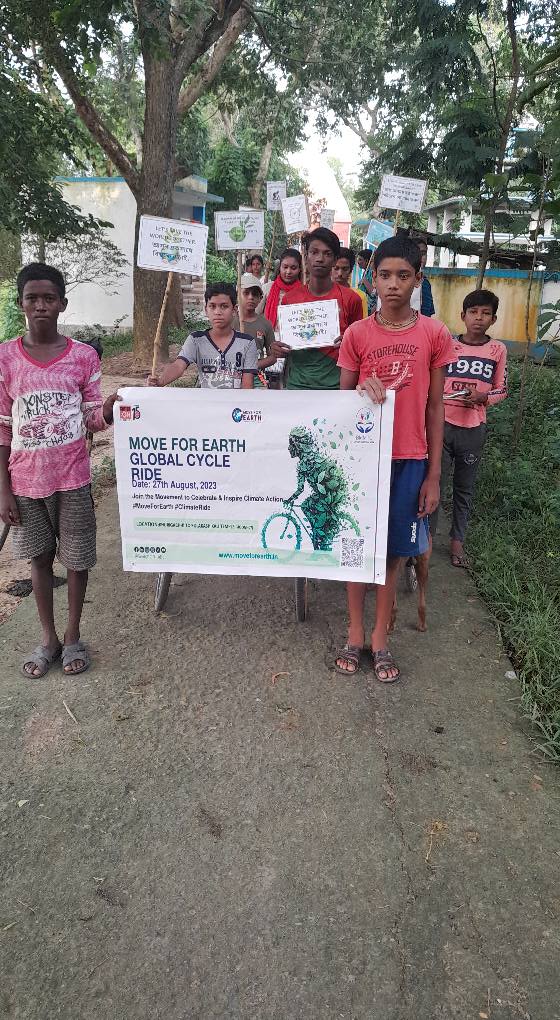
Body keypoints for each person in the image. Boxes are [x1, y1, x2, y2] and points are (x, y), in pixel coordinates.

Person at [335, 236, 454, 683]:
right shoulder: (357, 335)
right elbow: (341, 403)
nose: (393, 284)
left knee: (393, 553)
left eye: (403, 275)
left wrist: (433, 475)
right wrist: (360, 389)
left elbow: (435, 407)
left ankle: (380, 637)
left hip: (410, 460)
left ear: (418, 279)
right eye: (384, 275)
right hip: (362, 461)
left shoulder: (434, 334)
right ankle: (354, 632)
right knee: (356, 548)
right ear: (372, 279)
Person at [0, 263, 119, 678]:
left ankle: (72, 637)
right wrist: (3, 489)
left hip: (73, 478)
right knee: (39, 559)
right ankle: (48, 638)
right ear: (21, 303)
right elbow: (2, 428)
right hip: (25, 482)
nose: (41, 306)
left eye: (49, 298)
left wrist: (110, 409)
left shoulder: (83, 356)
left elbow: (92, 419)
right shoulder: (5, 358)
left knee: (77, 559)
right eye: (32, 298)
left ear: (62, 304)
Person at [430, 288, 507, 568]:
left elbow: (502, 389)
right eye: (473, 312)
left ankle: (457, 543)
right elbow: (432, 382)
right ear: (463, 315)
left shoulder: (497, 350)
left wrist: (484, 397)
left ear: (493, 319)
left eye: (486, 313)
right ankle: (426, 541)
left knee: (464, 488)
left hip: (473, 430)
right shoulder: (448, 344)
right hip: (442, 426)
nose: (479, 318)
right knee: (435, 484)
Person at [271, 228, 363, 390]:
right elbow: (284, 344)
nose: (320, 259)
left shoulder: (351, 299)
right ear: (306, 257)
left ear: (335, 260)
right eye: (314, 252)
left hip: (335, 387)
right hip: (297, 386)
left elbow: (360, 347)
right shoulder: (289, 300)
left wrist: (349, 344)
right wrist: (277, 348)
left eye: (327, 254)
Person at [148, 282, 257, 389]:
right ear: (206, 310)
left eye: (224, 306)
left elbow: (247, 386)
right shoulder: (196, 340)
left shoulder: (247, 343)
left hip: (235, 401)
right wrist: (161, 381)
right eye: (212, 306)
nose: (217, 312)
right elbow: (178, 365)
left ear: (234, 310)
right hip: (204, 400)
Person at [233, 273, 276, 383]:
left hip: (256, 377)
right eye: (246, 293)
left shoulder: (265, 324)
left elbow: (273, 357)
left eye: (255, 294)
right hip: (230, 375)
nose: (251, 297)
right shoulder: (229, 322)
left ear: (260, 298)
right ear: (237, 295)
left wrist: (252, 366)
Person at [263, 248, 303, 329]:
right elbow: (254, 314)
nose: (288, 272)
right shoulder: (267, 288)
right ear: (280, 267)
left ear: (299, 269)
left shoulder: (304, 292)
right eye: (285, 267)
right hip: (269, 335)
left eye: (293, 268)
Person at [332, 247, 369, 317]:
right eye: (336, 268)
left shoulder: (359, 296)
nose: (340, 273)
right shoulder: (321, 294)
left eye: (345, 269)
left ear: (351, 270)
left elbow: (362, 322)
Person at [415, 239, 435, 317]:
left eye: (423, 253)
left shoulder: (425, 283)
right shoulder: (401, 281)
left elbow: (428, 314)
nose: (420, 257)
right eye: (416, 253)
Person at [355, 249, 376, 314]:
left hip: (370, 310)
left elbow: (374, 293)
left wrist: (364, 281)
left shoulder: (373, 273)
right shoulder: (365, 273)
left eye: (360, 259)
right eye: (358, 259)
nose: (358, 262)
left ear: (367, 261)